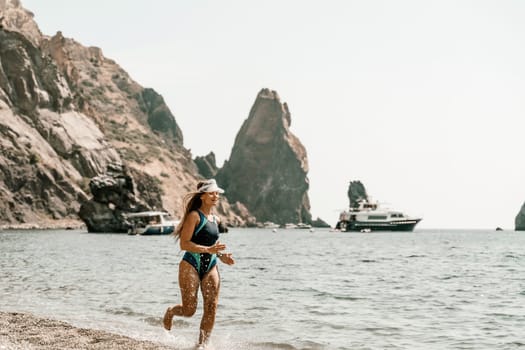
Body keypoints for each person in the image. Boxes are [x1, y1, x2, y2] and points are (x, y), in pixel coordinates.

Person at [163, 179, 235, 347]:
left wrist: (222, 256)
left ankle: (201, 346)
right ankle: (171, 311)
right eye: (212, 193)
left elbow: (213, 246)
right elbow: (184, 244)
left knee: (211, 307)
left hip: (211, 265)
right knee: (189, 310)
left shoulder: (216, 220)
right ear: (202, 196)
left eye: (217, 193)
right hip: (191, 264)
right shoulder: (194, 216)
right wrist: (208, 250)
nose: (215, 196)